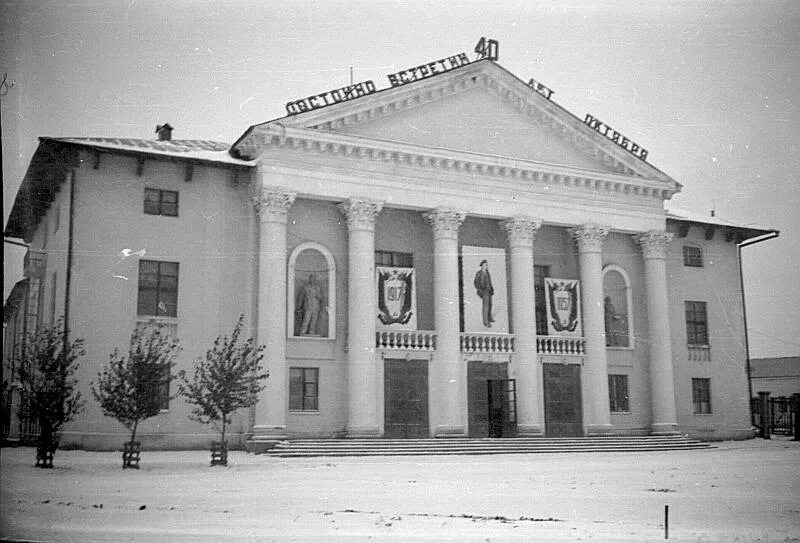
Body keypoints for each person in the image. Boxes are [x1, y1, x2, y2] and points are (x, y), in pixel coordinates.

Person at [474, 259, 494, 328]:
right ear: (482, 266)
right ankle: (486, 322)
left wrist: (491, 288)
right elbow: (476, 283)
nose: (487, 266)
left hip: (489, 290)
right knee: (486, 306)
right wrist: (480, 290)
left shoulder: (487, 273)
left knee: (490, 304)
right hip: (484, 291)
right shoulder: (479, 273)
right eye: (485, 265)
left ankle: (489, 318)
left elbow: (489, 281)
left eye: (487, 265)